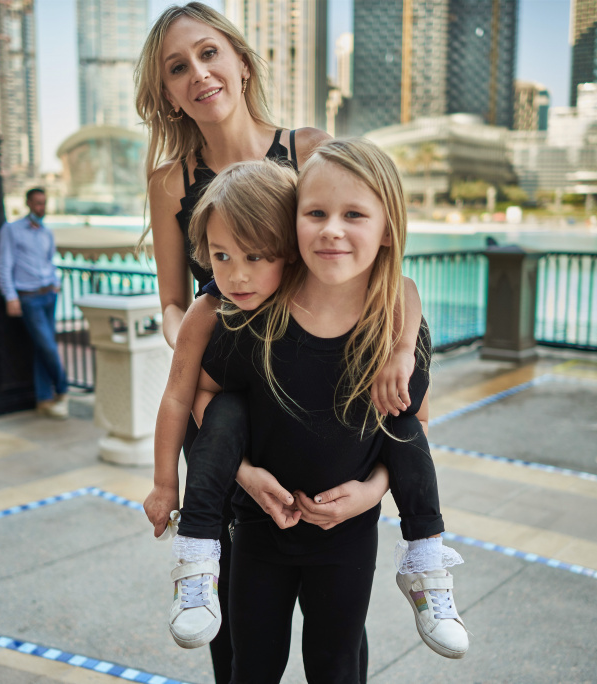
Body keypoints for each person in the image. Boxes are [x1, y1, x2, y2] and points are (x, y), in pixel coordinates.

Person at [135, 5, 415, 680]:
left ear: (240, 60)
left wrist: (400, 355)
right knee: (236, 620)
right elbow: (174, 301)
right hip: (227, 399)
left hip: (314, 397)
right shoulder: (169, 181)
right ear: (166, 91)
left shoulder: (309, 149)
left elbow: (372, 270)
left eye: (209, 53)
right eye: (177, 67)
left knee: (336, 624)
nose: (199, 73)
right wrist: (195, 355)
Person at [152, 156, 469, 668]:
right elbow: (195, 398)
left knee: (336, 663)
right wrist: (234, 476)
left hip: (347, 535)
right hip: (258, 526)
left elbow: (416, 425)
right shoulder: (248, 316)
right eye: (316, 213)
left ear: (388, 229)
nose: (332, 230)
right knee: (252, 664)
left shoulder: (391, 326)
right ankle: (195, 553)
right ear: (294, 227)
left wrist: (370, 492)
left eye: (354, 215)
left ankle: (426, 561)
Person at [0, 187, 69, 419]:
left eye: (44, 203)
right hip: (28, 297)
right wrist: (10, 296)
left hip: (49, 295)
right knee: (47, 346)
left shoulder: (47, 232)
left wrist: (55, 282)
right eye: (37, 203)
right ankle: (64, 390)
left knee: (41, 347)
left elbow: (50, 262)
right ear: (28, 203)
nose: (41, 207)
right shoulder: (11, 230)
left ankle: (44, 398)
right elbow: (4, 266)